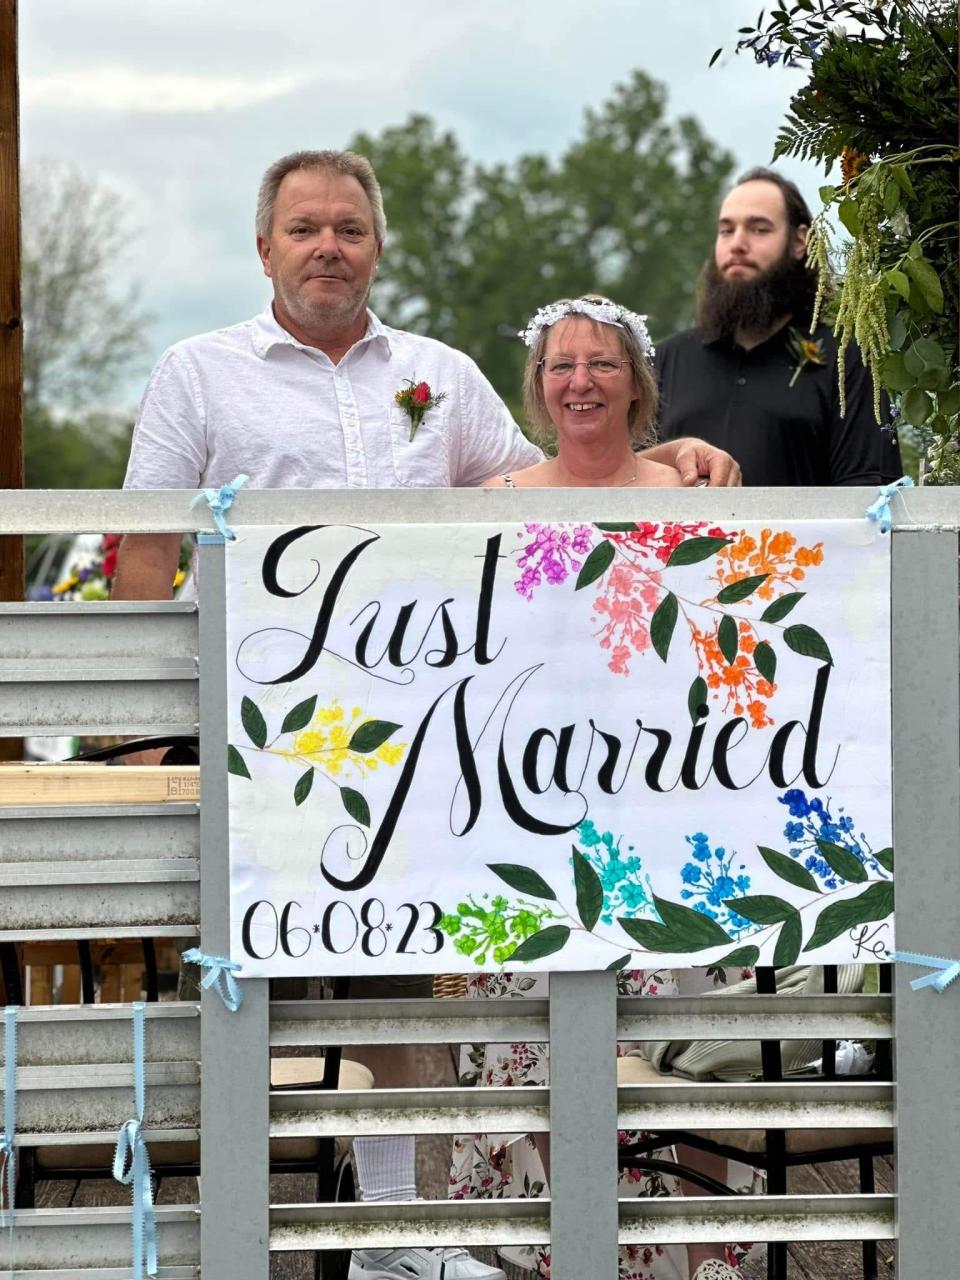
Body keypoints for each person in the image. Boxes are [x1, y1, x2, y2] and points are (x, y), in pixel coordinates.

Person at [113, 149, 741, 1280]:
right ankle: (239, 1241)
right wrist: (149, 725)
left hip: (420, 745)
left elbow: (560, 490)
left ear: (378, 246)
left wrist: (671, 456)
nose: (328, 249)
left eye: (349, 229)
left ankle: (401, 1236)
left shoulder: (443, 377)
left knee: (400, 970)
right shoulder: (197, 373)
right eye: (304, 229)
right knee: (258, 987)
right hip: (261, 742)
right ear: (264, 247)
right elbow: (147, 550)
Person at [453, 294, 757, 1280]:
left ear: (639, 382)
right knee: (531, 1043)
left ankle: (678, 1256)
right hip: (530, 826)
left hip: (665, 821)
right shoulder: (494, 502)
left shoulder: (697, 500)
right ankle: (539, 1250)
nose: (580, 380)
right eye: (560, 365)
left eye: (602, 363)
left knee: (664, 1047)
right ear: (538, 389)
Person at [655, 166, 902, 487]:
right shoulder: (664, 361)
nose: (737, 244)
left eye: (759, 229)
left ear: (799, 242)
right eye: (726, 231)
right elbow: (619, 479)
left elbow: (869, 499)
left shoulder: (845, 362)